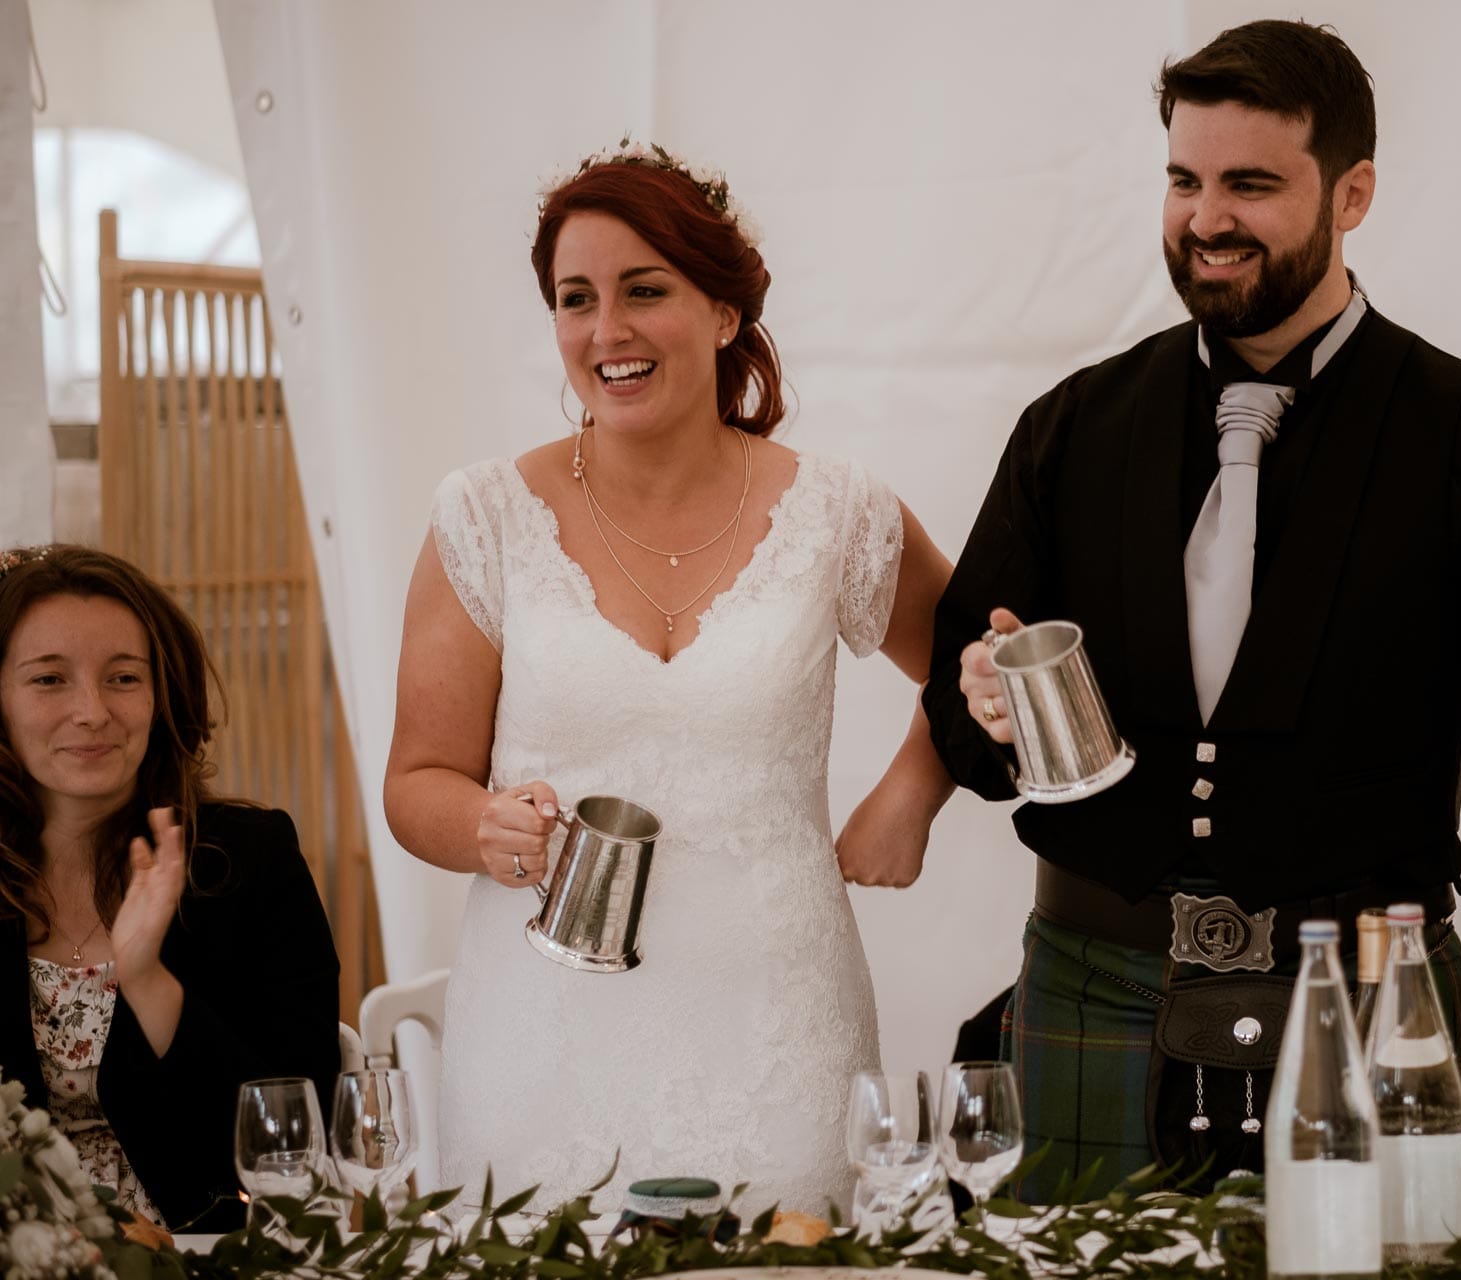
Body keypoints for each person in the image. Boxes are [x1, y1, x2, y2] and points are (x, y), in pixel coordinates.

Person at [920, 20, 1461, 1195]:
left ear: (1350, 193)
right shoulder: (1073, 427)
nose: (1205, 219)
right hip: (1089, 985)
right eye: (1184, 179)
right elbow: (969, 719)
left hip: (1371, 1004)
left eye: (1251, 184)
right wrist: (978, 712)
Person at [384, 142, 954, 1211]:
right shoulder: (483, 517)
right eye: (575, 299)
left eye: (645, 290)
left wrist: (909, 791)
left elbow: (980, 665)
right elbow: (417, 780)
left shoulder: (838, 512)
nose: (607, 332)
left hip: (780, 1027)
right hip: (541, 1037)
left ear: (724, 311)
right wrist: (483, 827)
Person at [0, 544, 341, 1230]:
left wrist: (148, 979)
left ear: (162, 695)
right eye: (49, 681)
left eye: (123, 678)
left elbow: (293, 1143)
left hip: (206, 1252)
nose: (92, 711)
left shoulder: (248, 860)